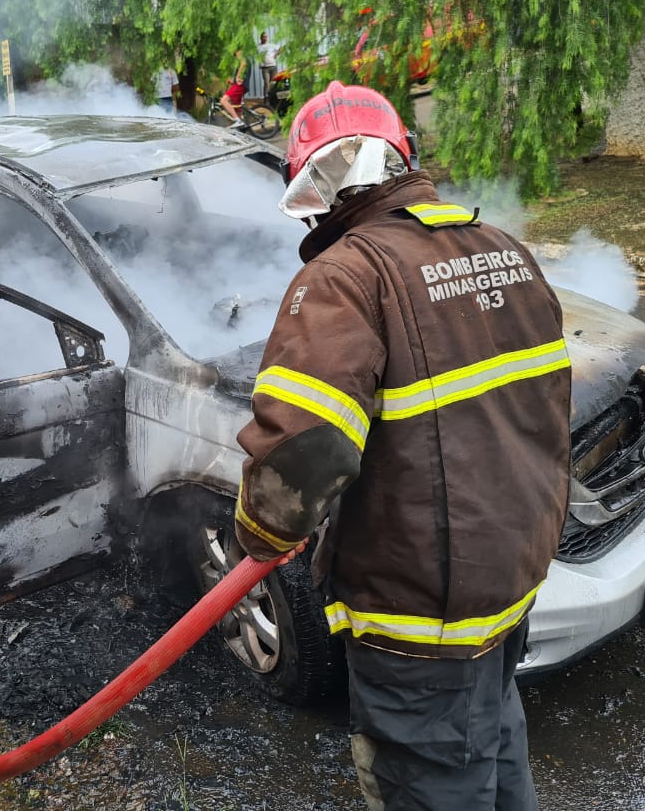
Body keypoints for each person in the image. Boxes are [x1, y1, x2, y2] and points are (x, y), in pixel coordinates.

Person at [233, 81, 571, 811]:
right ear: (404, 157)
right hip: (508, 582)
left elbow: (304, 452)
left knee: (431, 782)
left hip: (420, 618)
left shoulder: (343, 278)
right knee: (493, 746)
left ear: (315, 191)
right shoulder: (503, 250)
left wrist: (259, 536)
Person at [219, 47, 249, 127]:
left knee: (223, 100)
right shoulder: (242, 60)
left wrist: (237, 77)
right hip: (240, 85)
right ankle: (241, 127)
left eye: (236, 53)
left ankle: (237, 121)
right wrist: (232, 80)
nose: (236, 56)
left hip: (239, 86)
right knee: (237, 108)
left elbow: (244, 63)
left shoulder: (243, 59)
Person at [257, 31, 280, 95]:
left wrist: (276, 55)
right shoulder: (258, 47)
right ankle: (266, 98)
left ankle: (272, 98)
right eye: (263, 37)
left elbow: (280, 48)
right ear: (261, 38)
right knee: (267, 83)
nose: (265, 38)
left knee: (273, 83)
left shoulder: (271, 45)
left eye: (266, 37)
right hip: (265, 68)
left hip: (273, 66)